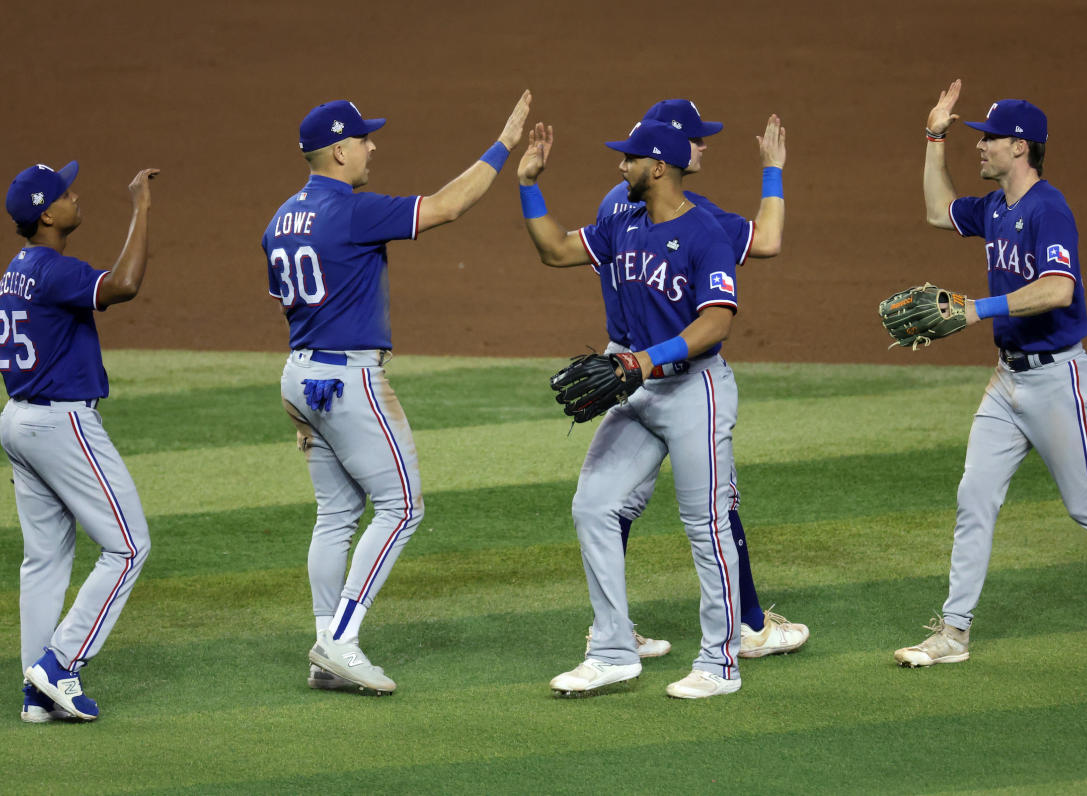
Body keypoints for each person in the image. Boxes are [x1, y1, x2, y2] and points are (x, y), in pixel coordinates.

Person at [895, 80, 1087, 667]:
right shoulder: (996, 208)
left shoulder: (1048, 209)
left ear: (1021, 148)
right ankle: (954, 632)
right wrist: (934, 134)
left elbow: (1058, 289)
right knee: (974, 496)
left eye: (989, 139)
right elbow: (935, 210)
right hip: (1007, 383)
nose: (978, 146)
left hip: (1058, 380)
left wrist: (979, 307)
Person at [263, 92, 531, 694]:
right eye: (363, 139)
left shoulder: (279, 219)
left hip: (299, 375)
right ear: (338, 150)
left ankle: (324, 648)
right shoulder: (352, 209)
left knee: (335, 514)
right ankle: (339, 641)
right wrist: (503, 144)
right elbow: (448, 206)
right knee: (403, 507)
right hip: (349, 379)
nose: (372, 146)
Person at [519, 118, 744, 699]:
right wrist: (528, 184)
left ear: (659, 167)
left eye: (630, 159)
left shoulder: (706, 233)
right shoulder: (625, 222)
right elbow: (553, 250)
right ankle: (614, 649)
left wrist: (645, 360)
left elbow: (716, 321)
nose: (620, 167)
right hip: (636, 389)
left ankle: (721, 664)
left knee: (707, 529)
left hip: (696, 391)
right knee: (593, 505)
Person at [588, 99, 808, 661]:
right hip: (672, 368)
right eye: (699, 139)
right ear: (673, 153)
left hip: (621, 364)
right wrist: (773, 170)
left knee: (609, 506)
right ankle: (748, 629)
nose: (706, 146)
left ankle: (612, 628)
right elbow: (768, 240)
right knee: (713, 506)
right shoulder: (690, 214)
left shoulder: (618, 201)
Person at [0, 161, 160, 721]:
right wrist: (141, 208)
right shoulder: (49, 269)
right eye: (65, 193)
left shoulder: (15, 269)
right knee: (128, 545)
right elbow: (124, 285)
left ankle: (36, 697)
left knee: (43, 559)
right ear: (47, 213)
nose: (75, 196)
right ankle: (59, 664)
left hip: (18, 419)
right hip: (59, 423)